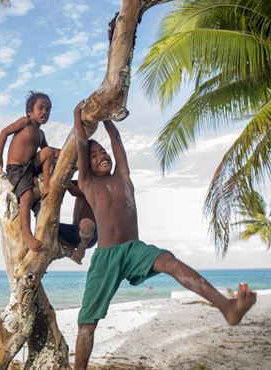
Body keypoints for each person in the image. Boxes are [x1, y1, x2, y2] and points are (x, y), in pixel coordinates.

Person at [72, 102, 256, 369]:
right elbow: (80, 146)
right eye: (95, 154)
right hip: (105, 257)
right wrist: (77, 117)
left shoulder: (123, 177)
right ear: (85, 166)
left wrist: (107, 120)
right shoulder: (87, 184)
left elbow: (118, 145)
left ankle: (227, 307)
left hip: (133, 249)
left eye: (103, 152)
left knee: (169, 261)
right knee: (87, 323)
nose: (102, 155)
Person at [0, 91, 59, 252]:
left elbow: (47, 151)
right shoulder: (25, 122)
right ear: (30, 111)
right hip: (16, 169)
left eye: (48, 109)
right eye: (40, 108)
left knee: (48, 152)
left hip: (31, 167)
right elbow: (4, 132)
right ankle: (28, 236)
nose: (44, 112)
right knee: (27, 197)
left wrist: (68, 151)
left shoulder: (41, 134)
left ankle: (46, 185)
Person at [58, 180, 97, 264]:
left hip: (90, 234)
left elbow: (73, 191)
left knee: (85, 223)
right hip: (75, 232)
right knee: (51, 227)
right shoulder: (84, 184)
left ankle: (81, 248)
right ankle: (70, 249)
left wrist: (63, 178)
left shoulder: (96, 189)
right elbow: (74, 184)